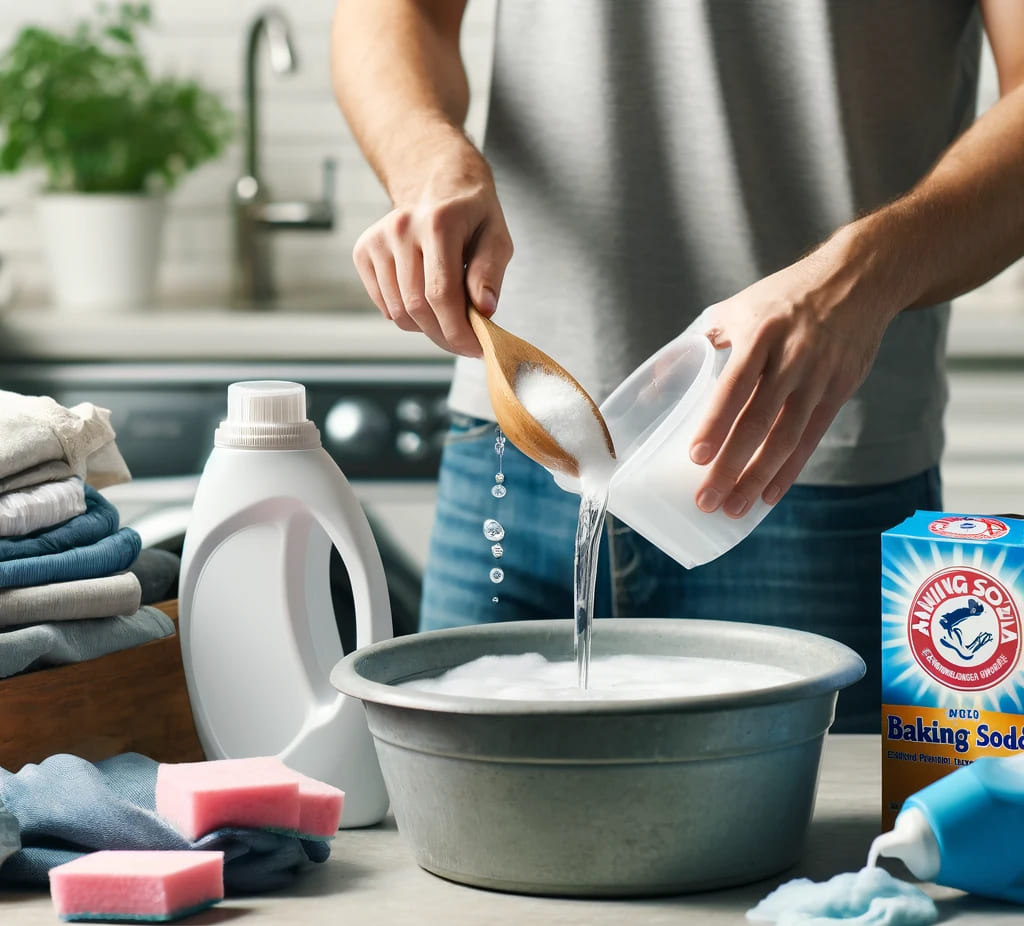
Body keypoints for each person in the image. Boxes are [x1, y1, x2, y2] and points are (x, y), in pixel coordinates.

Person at [330, 1, 1024, 731]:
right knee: (452, 826)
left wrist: (863, 276)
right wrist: (427, 160)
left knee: (822, 838)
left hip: (793, 459)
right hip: (513, 450)